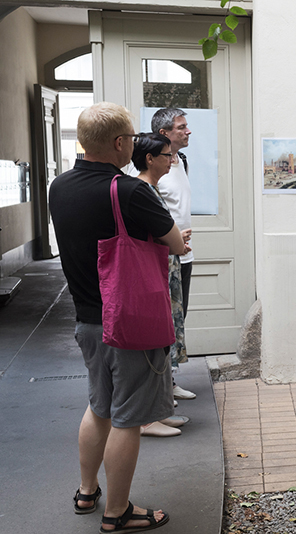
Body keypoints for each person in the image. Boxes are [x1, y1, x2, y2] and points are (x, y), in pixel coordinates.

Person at [49, 102, 187, 532]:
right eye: (129, 136)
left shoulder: (59, 187)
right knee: (128, 418)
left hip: (87, 320)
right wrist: (175, 238)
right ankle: (118, 511)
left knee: (99, 407)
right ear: (119, 143)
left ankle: (88, 491)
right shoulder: (129, 191)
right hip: (129, 321)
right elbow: (174, 244)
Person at [131, 132, 193, 438]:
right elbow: (152, 235)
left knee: (164, 341)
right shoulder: (141, 189)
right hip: (154, 273)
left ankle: (159, 411)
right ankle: (147, 418)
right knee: (153, 343)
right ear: (150, 159)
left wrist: (176, 241)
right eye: (167, 156)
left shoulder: (151, 188)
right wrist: (176, 240)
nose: (172, 161)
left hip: (166, 268)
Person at [151, 107, 195, 401]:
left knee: (178, 319)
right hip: (161, 258)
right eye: (181, 127)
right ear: (164, 133)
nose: (188, 131)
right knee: (162, 323)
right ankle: (158, 386)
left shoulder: (181, 161)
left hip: (184, 257)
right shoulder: (152, 167)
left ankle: (170, 378)